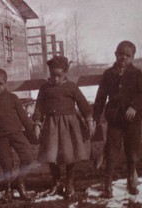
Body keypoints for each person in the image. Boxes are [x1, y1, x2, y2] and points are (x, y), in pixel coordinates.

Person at [93, 41, 142, 198]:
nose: (123, 58)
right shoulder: (108, 74)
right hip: (115, 119)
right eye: (121, 54)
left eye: (128, 55)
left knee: (132, 150)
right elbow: (100, 97)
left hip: (133, 120)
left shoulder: (136, 73)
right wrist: (95, 117)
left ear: (132, 58)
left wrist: (134, 106)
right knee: (111, 151)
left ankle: (131, 179)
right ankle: (108, 183)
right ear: (115, 54)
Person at [33, 56, 95, 199]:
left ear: (66, 73)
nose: (55, 79)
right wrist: (37, 123)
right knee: (51, 155)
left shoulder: (71, 87)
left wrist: (89, 120)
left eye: (59, 75)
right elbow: (39, 107)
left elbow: (83, 105)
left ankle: (70, 182)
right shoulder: (45, 88)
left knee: (69, 154)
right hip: (51, 126)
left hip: (69, 126)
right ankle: (56, 182)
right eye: (52, 75)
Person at [0, 68, 35, 203]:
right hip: (0, 137)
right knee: (6, 163)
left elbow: (23, 117)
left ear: (6, 83)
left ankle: (20, 182)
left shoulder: (12, 98)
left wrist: (32, 130)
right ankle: (8, 189)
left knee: (28, 155)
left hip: (16, 133)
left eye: (0, 83)